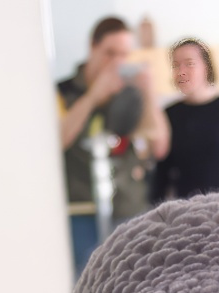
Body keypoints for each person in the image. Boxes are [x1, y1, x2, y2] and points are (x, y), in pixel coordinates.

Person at [58, 17, 170, 274]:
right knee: (85, 292)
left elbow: (160, 147)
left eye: (124, 54)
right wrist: (94, 96)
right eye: (110, 53)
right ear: (92, 48)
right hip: (81, 215)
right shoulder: (63, 92)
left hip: (129, 211)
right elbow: (56, 142)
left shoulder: (131, 94)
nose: (117, 62)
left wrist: (148, 92)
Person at [151, 38, 219, 202]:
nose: (181, 71)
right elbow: (162, 172)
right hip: (186, 213)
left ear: (206, 67)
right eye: (176, 65)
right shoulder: (169, 114)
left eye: (189, 63)